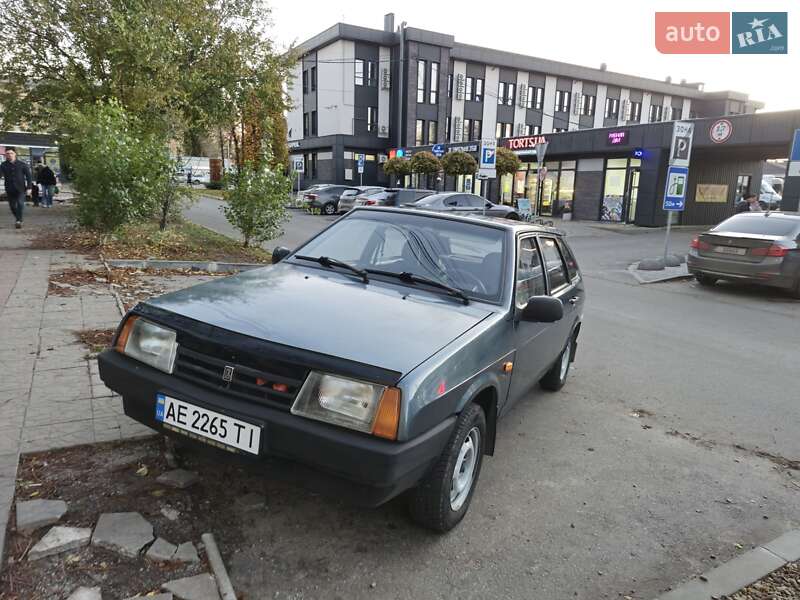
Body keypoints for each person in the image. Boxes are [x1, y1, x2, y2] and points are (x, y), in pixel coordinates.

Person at [0, 147, 33, 228]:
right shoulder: (3, 165)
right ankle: (19, 218)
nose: (9, 155)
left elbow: (29, 177)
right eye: (7, 154)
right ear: (5, 155)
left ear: (15, 154)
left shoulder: (22, 164)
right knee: (12, 207)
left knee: (20, 203)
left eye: (11, 153)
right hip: (9, 189)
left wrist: (29, 188)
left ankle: (18, 221)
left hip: (21, 189)